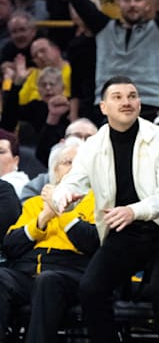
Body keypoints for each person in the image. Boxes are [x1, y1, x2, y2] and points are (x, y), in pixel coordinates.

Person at [50, 77, 159, 343]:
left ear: (139, 103)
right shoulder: (92, 145)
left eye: (132, 96)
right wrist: (63, 195)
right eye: (117, 97)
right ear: (103, 107)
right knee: (91, 289)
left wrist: (132, 211)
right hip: (123, 232)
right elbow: (71, 180)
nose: (126, 102)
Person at [0, 137, 97, 343]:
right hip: (26, 272)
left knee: (48, 281)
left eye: (79, 163)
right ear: (55, 171)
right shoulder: (35, 203)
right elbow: (10, 246)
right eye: (67, 162)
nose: (73, 168)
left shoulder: (96, 201)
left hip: (70, 274)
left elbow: (91, 243)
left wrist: (62, 209)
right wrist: (43, 218)